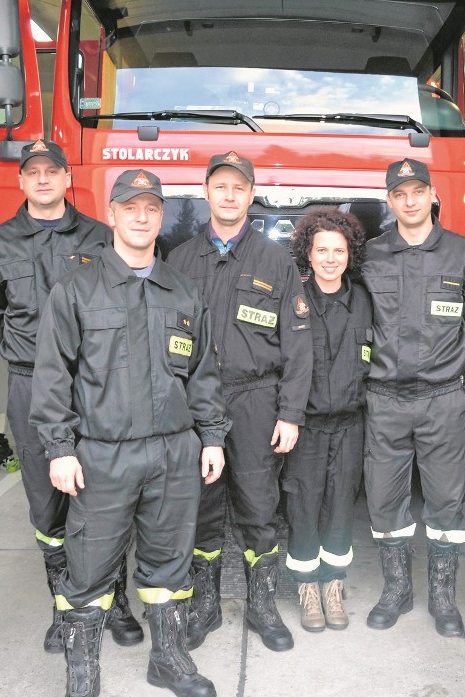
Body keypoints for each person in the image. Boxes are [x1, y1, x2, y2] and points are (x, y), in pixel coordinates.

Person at [30, 169, 229, 697]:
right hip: (101, 456)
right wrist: (59, 449)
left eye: (151, 208)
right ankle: (83, 674)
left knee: (170, 561)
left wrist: (211, 437)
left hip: (173, 453)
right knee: (89, 567)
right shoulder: (77, 290)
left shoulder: (183, 293)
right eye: (130, 206)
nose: (141, 216)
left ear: (160, 217)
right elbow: (52, 377)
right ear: (112, 214)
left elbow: (204, 374)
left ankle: (168, 660)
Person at [0, 139, 142, 653]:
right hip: (30, 384)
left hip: (93, 384)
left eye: (53, 171)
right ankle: (65, 608)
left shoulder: (98, 235)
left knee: (103, 497)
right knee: (47, 505)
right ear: (20, 181)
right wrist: (31, 358)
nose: (43, 179)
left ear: (68, 178)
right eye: (34, 172)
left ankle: (114, 601)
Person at [167, 152, 312, 652]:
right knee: (201, 509)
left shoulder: (276, 261)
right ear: (206, 192)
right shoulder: (180, 261)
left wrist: (290, 413)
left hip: (256, 401)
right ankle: (204, 608)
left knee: (259, 506)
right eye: (220, 187)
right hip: (195, 406)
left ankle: (262, 606)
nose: (229, 196)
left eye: (238, 188)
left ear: (251, 195)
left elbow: (298, 345)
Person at [361, 158, 465, 637]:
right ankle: (396, 591)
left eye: (417, 192)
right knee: (385, 502)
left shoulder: (461, 252)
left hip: (443, 400)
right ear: (390, 201)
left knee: (447, 505)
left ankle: (442, 597)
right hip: (385, 399)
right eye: (399, 194)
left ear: (433, 195)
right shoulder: (371, 255)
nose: (410, 201)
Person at [284, 209, 372, 632]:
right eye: (322, 250)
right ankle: (307, 588)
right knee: (303, 505)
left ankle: (333, 585)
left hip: (351, 425)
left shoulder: (365, 300)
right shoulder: (293, 298)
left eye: (339, 250)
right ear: (308, 253)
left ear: (349, 253)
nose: (331, 258)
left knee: (341, 506)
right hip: (306, 427)